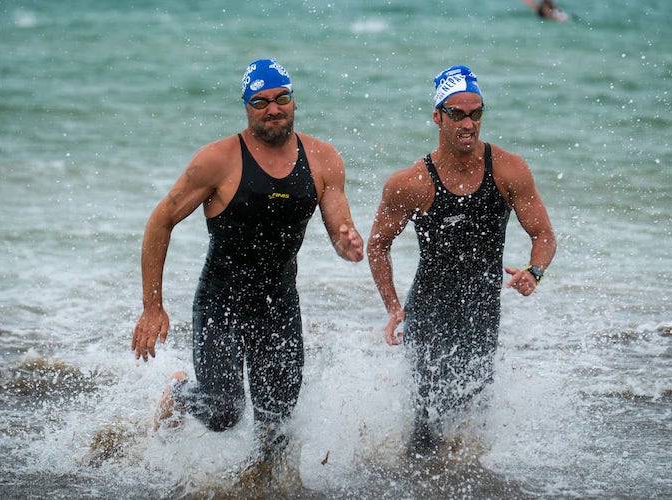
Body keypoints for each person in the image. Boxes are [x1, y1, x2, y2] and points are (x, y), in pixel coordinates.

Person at [131, 59, 363, 464]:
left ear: (293, 101)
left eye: (282, 98)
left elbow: (340, 229)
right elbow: (160, 221)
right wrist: (153, 306)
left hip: (280, 305)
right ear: (246, 107)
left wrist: (349, 244)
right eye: (260, 102)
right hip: (222, 302)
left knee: (276, 429)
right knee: (223, 412)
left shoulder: (324, 159)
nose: (273, 109)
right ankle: (180, 392)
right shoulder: (218, 160)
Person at [367, 65, 556, 453]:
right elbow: (377, 245)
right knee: (426, 425)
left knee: (470, 422)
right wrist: (393, 307)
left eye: (476, 112)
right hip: (430, 308)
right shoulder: (410, 183)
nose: (468, 123)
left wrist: (534, 271)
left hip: (483, 309)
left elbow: (544, 234)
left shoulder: (508, 169)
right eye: (457, 114)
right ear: (438, 116)